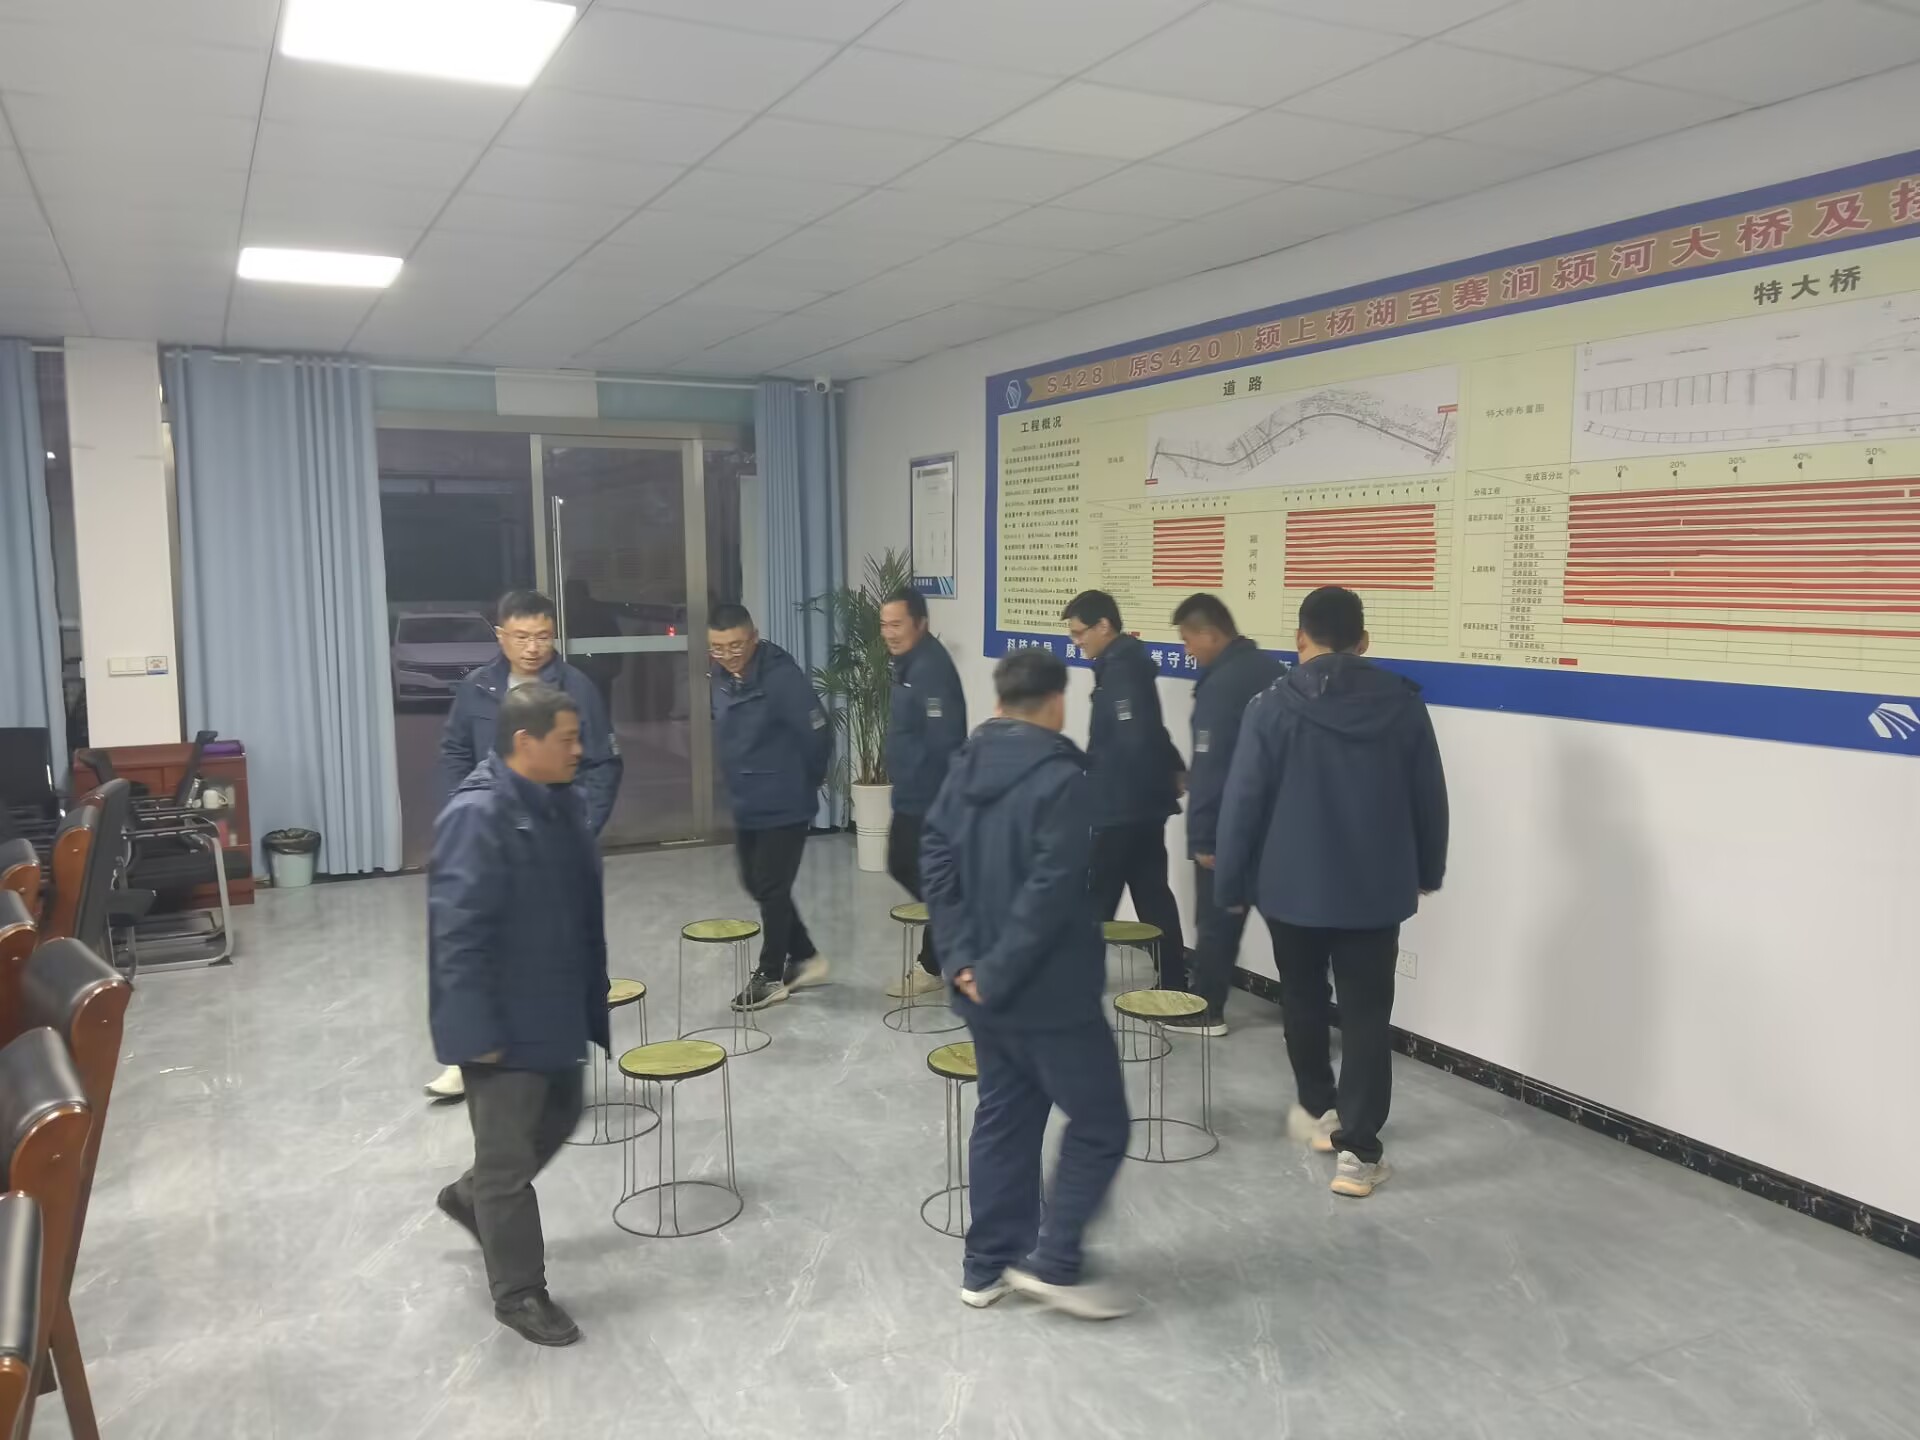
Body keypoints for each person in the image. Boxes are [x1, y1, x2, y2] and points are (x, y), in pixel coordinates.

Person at [1214, 587, 1449, 1199]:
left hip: (1290, 889)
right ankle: (1359, 1154)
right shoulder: (1402, 705)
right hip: (1374, 890)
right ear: (1364, 642)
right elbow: (1429, 795)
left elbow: (1243, 801)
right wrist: (1428, 868)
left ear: (1301, 638)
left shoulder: (1270, 706)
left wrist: (1231, 882)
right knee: (1367, 1014)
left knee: (1302, 999)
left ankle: (1321, 1111)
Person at [922, 647, 1132, 1320]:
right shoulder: (1062, 780)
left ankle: (986, 1267)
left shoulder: (964, 765)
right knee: (1100, 1122)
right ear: (1057, 703)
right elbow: (1050, 891)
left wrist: (963, 961)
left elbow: (935, 858)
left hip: (980, 990)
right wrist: (997, 970)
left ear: (998, 701)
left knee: (1005, 1117)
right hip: (1048, 993)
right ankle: (1056, 1262)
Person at [428, 683, 607, 1347]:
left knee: (559, 1118)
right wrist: (474, 1034)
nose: (580, 750)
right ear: (525, 742)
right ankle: (520, 1292)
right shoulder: (478, 815)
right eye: (568, 739)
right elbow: (457, 935)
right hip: (502, 1022)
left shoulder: (559, 801)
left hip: (554, 1007)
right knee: (508, 1162)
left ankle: (470, 1195)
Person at [424, 588, 623, 1101]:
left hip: (554, 838)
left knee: (554, 944)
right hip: (492, 835)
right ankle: (472, 1058)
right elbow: (454, 751)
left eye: (543, 636)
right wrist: (462, 807)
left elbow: (602, 763)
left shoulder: (576, 687)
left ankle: (558, 1053)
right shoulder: (478, 687)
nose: (533, 647)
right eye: (521, 636)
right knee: (484, 941)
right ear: (500, 636)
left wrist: (582, 824)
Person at [709, 603, 833, 1011]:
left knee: (771, 885)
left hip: (784, 799)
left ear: (754, 637)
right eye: (718, 648)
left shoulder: (780, 677)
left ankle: (771, 974)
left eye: (735, 646)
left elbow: (817, 733)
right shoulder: (721, 677)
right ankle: (805, 956)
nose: (728, 655)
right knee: (756, 882)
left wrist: (805, 781)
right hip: (747, 799)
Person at [1170, 593, 1285, 1038]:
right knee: (1291, 930)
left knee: (1217, 925)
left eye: (1188, 640)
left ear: (1209, 634)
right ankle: (1308, 1012)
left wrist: (1202, 838)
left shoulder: (1221, 685)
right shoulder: (1273, 672)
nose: (1187, 651)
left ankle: (1207, 1010)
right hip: (1277, 828)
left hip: (1230, 831)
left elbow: (1212, 769)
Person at [1061, 590, 1187, 989]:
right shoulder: (1124, 664)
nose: (1076, 641)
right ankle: (1174, 982)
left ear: (1103, 626)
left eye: (1079, 632)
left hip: (1120, 809)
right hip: (1140, 807)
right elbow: (1151, 731)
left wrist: (1099, 794)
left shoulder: (1121, 671)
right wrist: (1173, 768)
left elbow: (1132, 740)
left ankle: (1079, 981)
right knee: (1151, 895)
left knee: (1097, 897)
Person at [880, 587, 968, 1000]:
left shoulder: (931, 668)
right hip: (912, 792)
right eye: (884, 625)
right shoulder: (909, 663)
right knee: (918, 872)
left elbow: (945, 740)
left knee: (908, 865)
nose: (889, 633)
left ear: (921, 623)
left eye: (897, 624)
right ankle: (939, 955)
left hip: (930, 798)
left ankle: (953, 936)